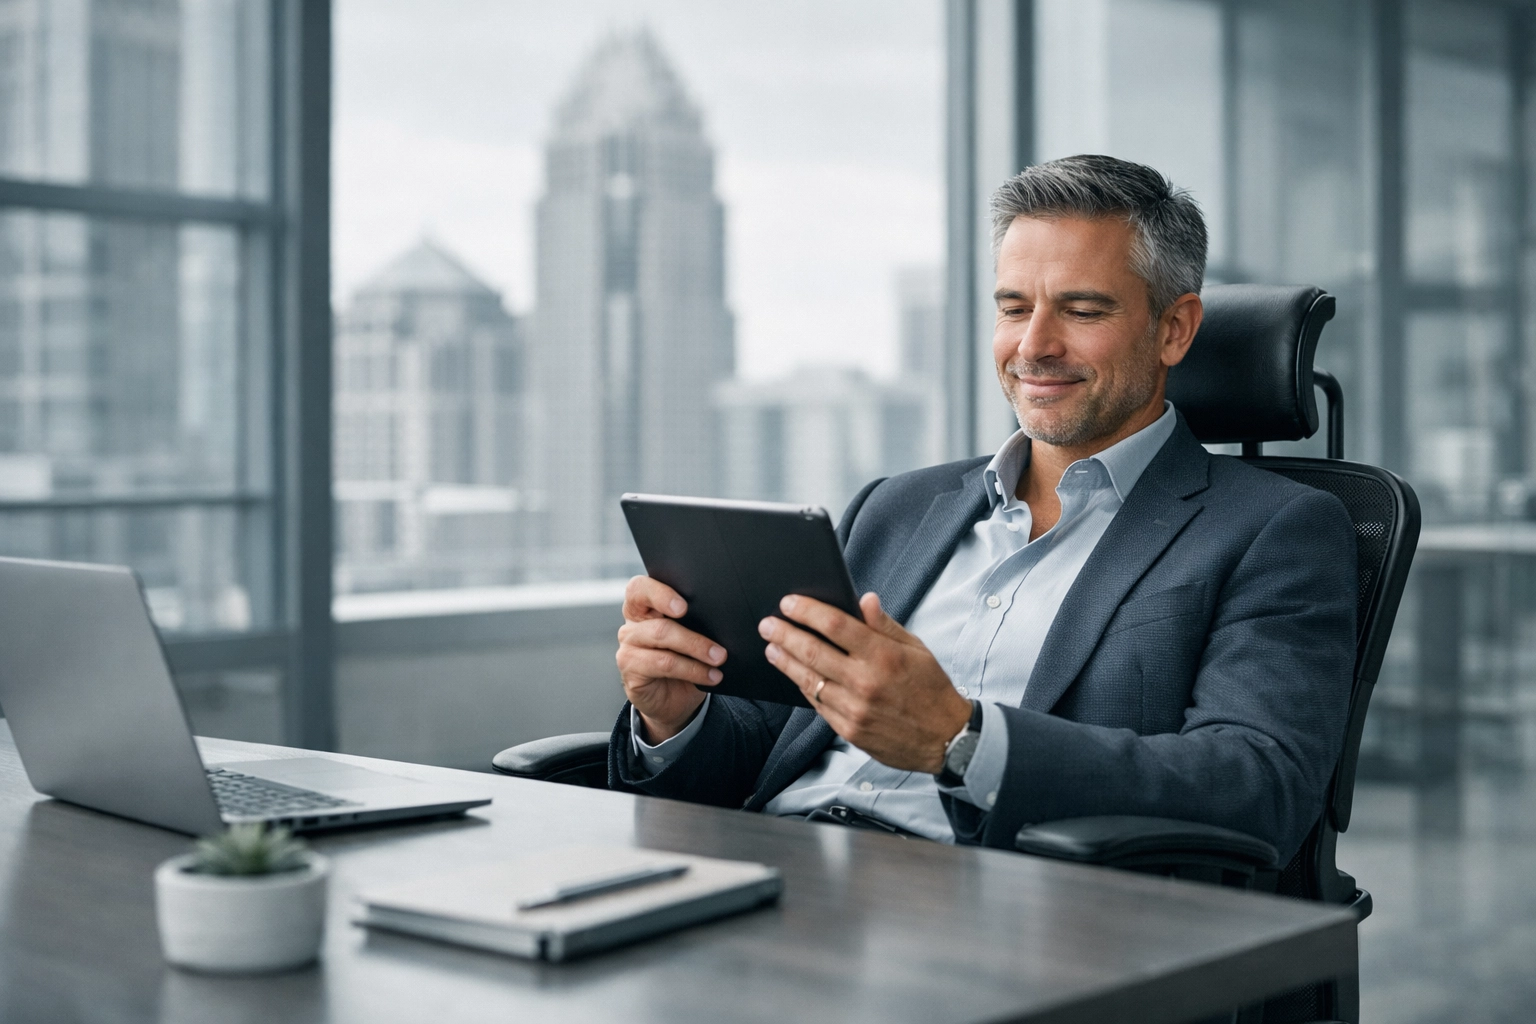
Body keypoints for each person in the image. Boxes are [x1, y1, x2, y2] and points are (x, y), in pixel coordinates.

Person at [607, 154, 1356, 864]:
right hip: (784, 872)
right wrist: (677, 718)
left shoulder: (1274, 531)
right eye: (1013, 307)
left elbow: (1260, 784)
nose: (1034, 346)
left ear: (1174, 328)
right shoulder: (896, 508)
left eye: (1082, 310)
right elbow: (771, 746)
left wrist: (959, 741)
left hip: (1003, 913)